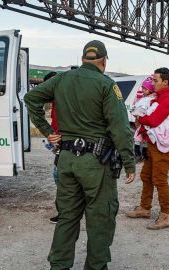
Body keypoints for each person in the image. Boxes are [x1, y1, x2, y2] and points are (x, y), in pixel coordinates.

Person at [24, 40, 136, 270]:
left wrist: (47, 131)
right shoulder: (106, 85)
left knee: (67, 216)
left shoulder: (61, 79)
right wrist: (129, 162)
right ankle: (96, 266)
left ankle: (59, 265)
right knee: (100, 218)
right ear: (104, 61)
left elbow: (31, 98)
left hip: (66, 160)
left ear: (83, 58)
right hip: (95, 163)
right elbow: (120, 127)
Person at [126, 67, 169, 230]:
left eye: (155, 80)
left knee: (159, 179)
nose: (152, 83)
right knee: (146, 175)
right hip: (155, 143)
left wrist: (140, 118)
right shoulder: (161, 96)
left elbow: (154, 119)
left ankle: (166, 215)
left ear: (165, 82)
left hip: (163, 146)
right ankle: (145, 208)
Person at [42, 71, 62, 224]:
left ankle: (65, 213)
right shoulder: (57, 100)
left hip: (66, 143)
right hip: (61, 142)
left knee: (59, 176)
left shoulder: (63, 100)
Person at [132, 76, 155, 161]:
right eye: (142, 88)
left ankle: (144, 154)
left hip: (146, 123)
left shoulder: (151, 99)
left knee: (145, 138)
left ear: (150, 90)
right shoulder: (143, 99)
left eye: (145, 89)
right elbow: (136, 107)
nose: (143, 90)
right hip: (141, 122)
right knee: (138, 138)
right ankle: (138, 153)